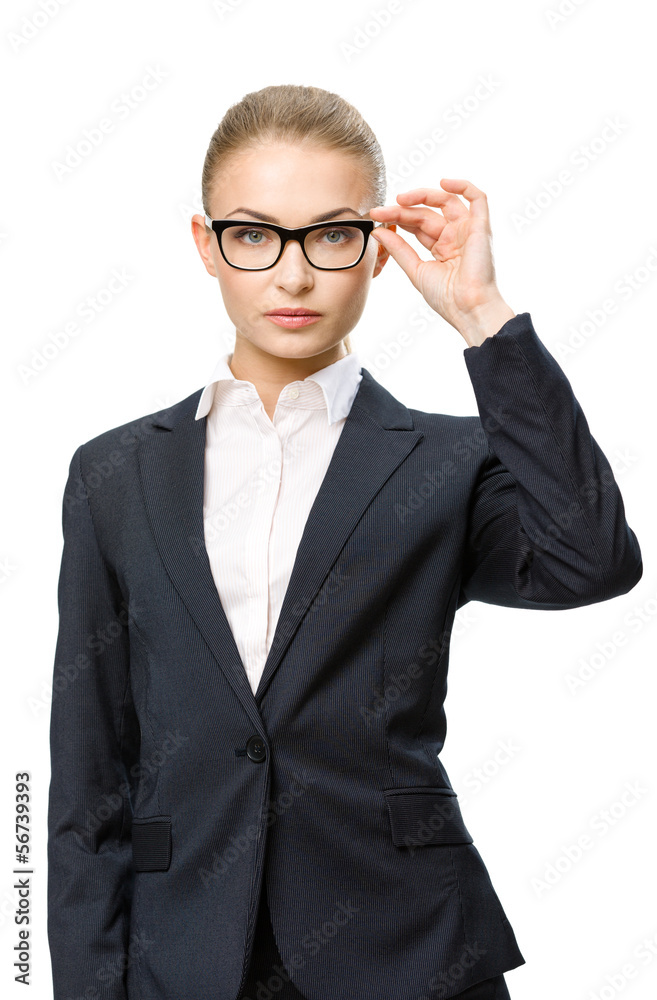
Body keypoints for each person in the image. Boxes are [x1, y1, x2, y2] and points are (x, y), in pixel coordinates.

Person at [47, 84, 643, 1000]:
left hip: (408, 949)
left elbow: (590, 561)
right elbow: (90, 772)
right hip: (185, 953)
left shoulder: (448, 460)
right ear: (208, 246)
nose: (292, 277)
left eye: (329, 235)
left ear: (374, 248)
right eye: (253, 234)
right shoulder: (115, 473)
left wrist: (483, 317)